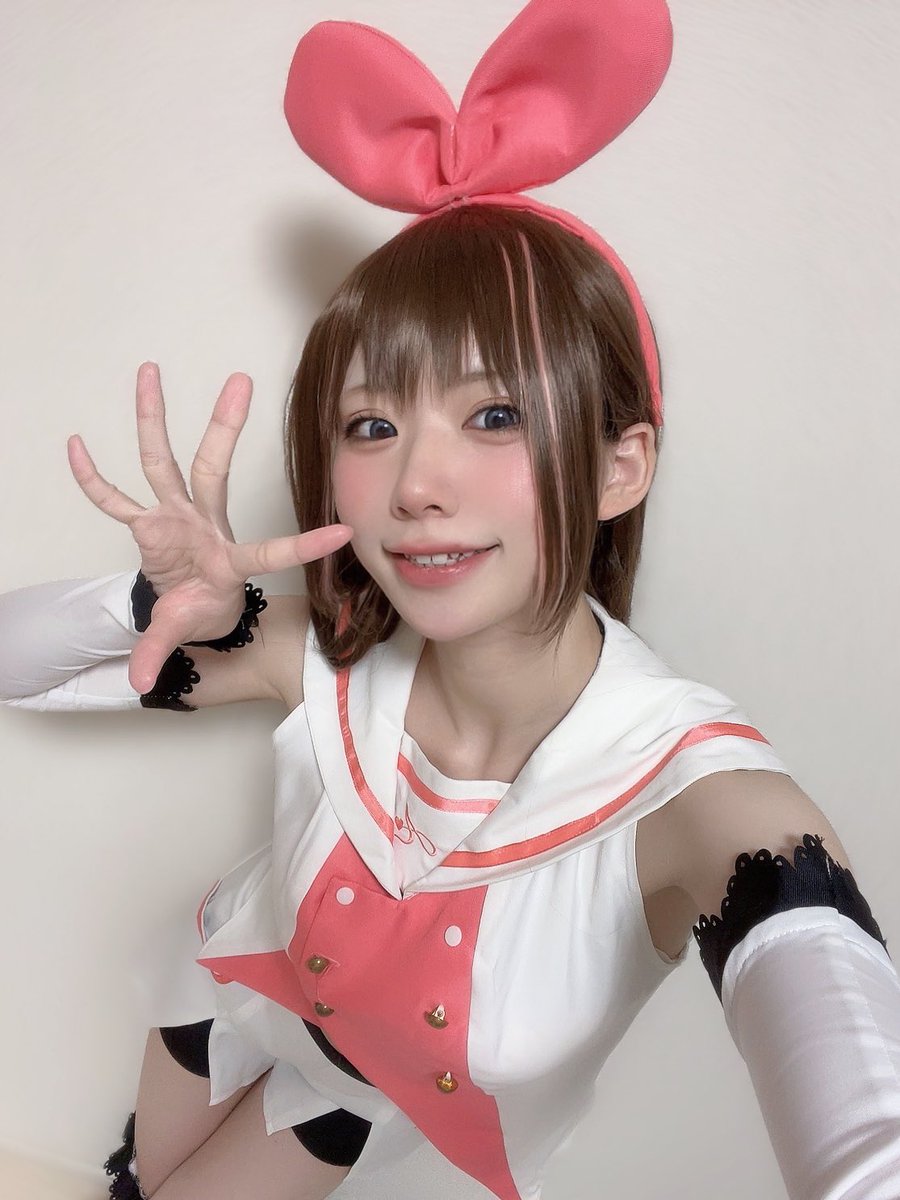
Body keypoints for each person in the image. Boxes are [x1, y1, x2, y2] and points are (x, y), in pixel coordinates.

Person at [2, 1, 899, 1198]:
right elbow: (14, 666)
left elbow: (850, 1078)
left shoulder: (696, 795)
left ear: (622, 463)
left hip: (348, 1094)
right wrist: (155, 602)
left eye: (494, 414)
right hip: (218, 985)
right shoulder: (322, 652)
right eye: (371, 425)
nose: (417, 486)